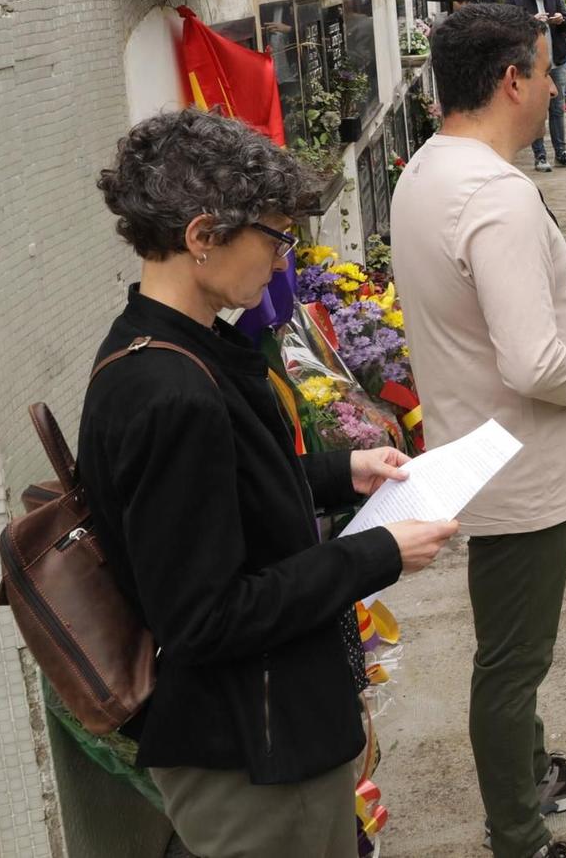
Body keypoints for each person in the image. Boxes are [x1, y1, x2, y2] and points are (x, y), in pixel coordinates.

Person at [79, 110, 452, 858]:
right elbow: (208, 616)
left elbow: (223, 494)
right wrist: (375, 551)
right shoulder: (169, 391)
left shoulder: (168, 344)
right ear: (202, 237)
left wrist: (338, 469)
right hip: (251, 752)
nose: (285, 264)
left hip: (266, 723)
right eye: (276, 239)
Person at [393, 5, 566, 858]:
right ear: (511, 80)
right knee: (511, 663)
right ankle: (519, 831)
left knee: (509, 649)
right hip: (517, 468)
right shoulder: (495, 193)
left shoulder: (429, 168)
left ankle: (530, 771)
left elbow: (485, 317)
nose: (554, 86)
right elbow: (535, 365)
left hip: (477, 447)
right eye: (546, 72)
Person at [505, 0, 566, 171]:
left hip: (557, 60)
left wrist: (562, 20)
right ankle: (540, 155)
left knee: (558, 108)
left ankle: (561, 152)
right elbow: (508, 30)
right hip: (532, 65)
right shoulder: (514, 0)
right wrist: (531, 21)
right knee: (536, 109)